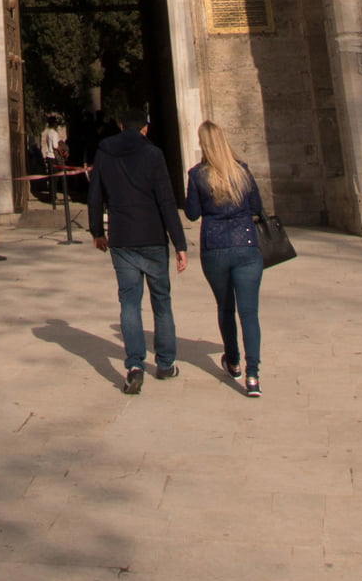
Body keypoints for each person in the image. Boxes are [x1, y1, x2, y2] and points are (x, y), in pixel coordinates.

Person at [86, 112, 186, 393]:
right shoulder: (153, 154)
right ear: (145, 129)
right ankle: (165, 363)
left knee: (129, 302)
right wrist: (179, 243)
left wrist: (97, 232)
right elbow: (166, 200)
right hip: (153, 237)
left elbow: (95, 196)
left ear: (120, 125)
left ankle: (134, 365)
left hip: (123, 239)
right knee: (161, 301)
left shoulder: (105, 152)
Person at [182, 120, 266, 397]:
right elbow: (256, 206)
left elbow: (192, 213)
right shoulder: (241, 171)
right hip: (246, 245)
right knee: (249, 312)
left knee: (225, 308)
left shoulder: (197, 175)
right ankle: (253, 375)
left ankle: (233, 361)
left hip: (215, 247)